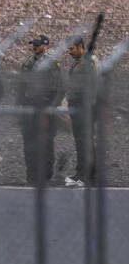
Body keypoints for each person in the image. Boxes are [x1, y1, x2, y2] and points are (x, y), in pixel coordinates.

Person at [15, 34, 63, 186]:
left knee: (45, 142)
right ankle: (31, 175)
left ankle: (46, 176)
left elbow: (60, 88)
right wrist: (19, 103)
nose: (33, 46)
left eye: (37, 44)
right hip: (30, 108)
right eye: (32, 44)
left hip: (45, 108)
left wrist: (52, 106)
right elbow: (21, 86)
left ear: (45, 46)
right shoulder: (28, 63)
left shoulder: (52, 63)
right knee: (28, 140)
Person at [65, 36, 100, 187]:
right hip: (78, 107)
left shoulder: (88, 62)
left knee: (84, 141)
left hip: (84, 108)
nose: (69, 52)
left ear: (80, 47)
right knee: (82, 141)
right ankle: (85, 173)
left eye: (72, 48)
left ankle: (86, 176)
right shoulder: (79, 63)